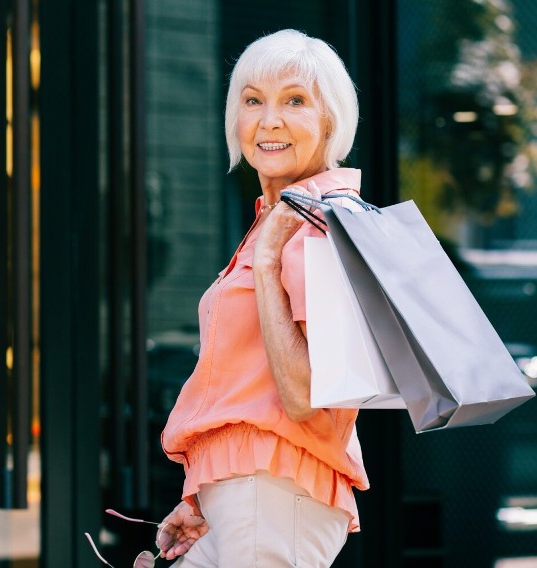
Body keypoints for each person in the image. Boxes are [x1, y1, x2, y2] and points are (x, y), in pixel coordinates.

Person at [157, 29, 369, 567]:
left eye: (294, 100)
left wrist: (271, 259)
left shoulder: (321, 225)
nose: (269, 119)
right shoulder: (276, 221)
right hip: (240, 495)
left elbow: (306, 399)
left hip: (271, 492)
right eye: (253, 100)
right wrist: (203, 492)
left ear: (330, 119)